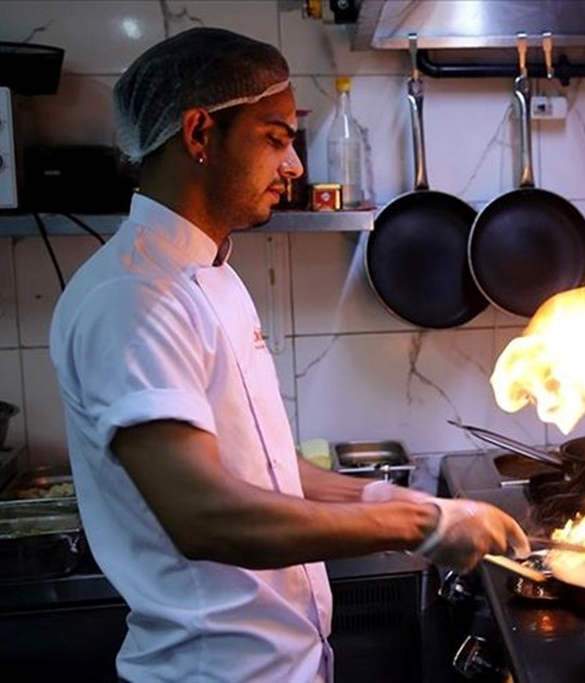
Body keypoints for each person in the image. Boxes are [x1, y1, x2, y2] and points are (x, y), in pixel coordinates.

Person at [49, 27, 528, 683]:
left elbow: (270, 471)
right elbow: (205, 516)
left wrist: (389, 499)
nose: (296, 165)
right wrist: (422, 521)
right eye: (275, 137)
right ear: (198, 135)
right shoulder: (135, 300)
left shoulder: (212, 271)